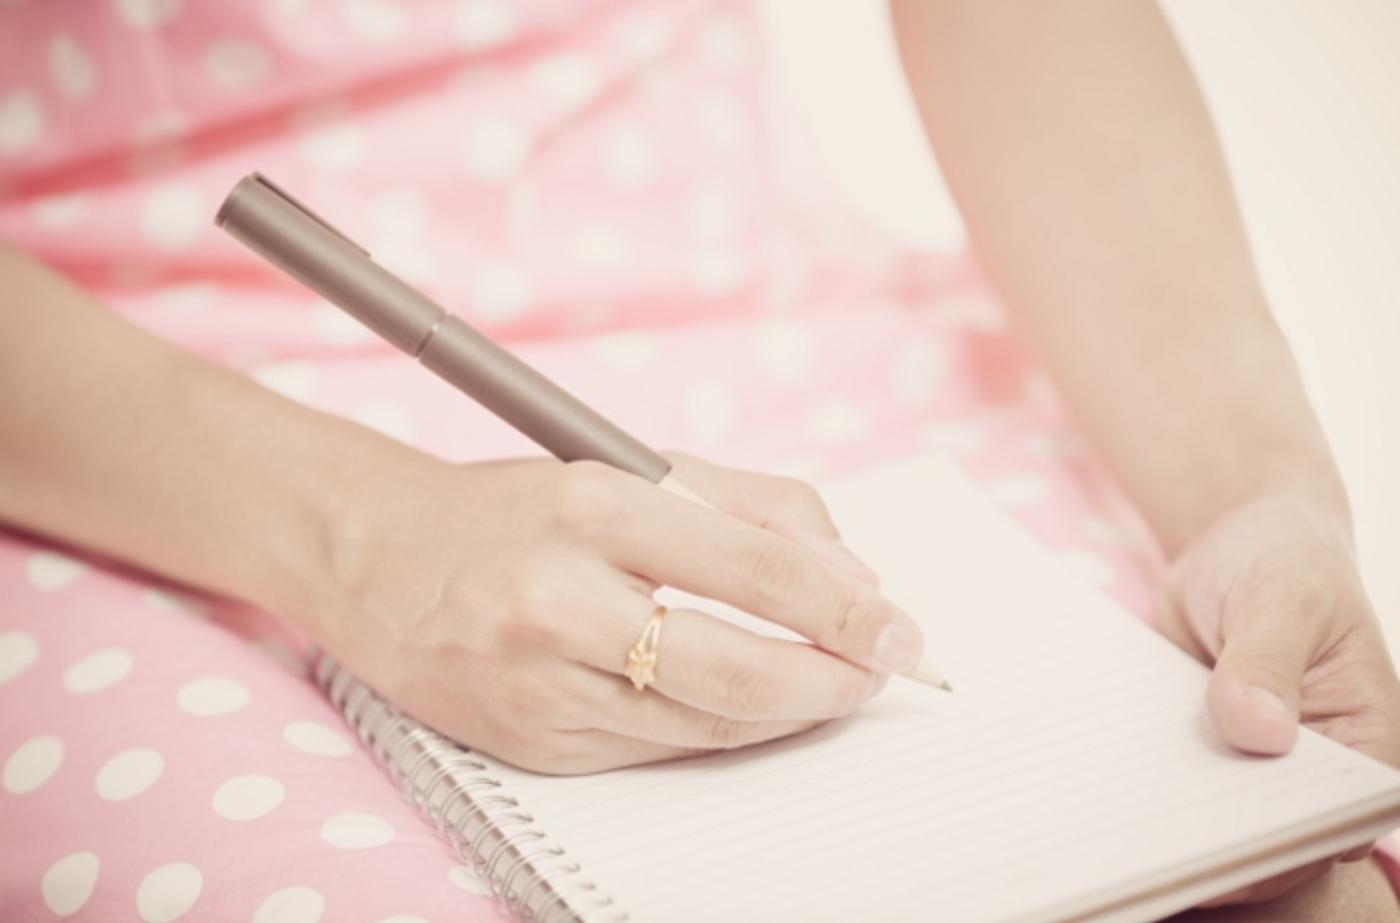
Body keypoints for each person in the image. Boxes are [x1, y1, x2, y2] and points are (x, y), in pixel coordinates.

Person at [1, 0, 1396, 918]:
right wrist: (354, 538)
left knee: (1269, 880)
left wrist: (1250, 492)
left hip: (770, 304)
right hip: (133, 431)